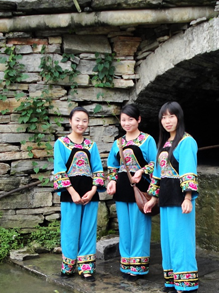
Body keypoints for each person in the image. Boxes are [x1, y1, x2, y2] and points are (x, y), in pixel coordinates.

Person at [144, 101, 199, 293]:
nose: (167, 121)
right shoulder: (165, 143)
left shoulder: (187, 142)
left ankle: (185, 285)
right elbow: (158, 174)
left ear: (179, 117)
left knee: (181, 240)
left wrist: (188, 197)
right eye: (164, 117)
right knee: (168, 241)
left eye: (171, 116)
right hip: (166, 197)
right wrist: (153, 198)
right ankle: (172, 280)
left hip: (180, 197)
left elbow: (188, 170)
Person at [53, 107, 105, 281]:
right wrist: (73, 193)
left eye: (84, 121)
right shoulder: (61, 143)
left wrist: (93, 191)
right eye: (77, 120)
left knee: (89, 230)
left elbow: (98, 170)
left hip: (90, 193)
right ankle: (68, 267)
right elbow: (59, 170)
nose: (81, 124)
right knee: (69, 229)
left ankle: (86, 267)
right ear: (70, 121)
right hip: (70, 193)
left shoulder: (91, 145)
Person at [106, 105, 157, 281]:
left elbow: (156, 163)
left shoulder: (147, 140)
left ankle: (138, 267)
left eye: (130, 119)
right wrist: (112, 181)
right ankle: (126, 263)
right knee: (125, 228)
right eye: (123, 120)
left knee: (139, 227)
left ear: (139, 119)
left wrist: (142, 171)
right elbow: (113, 165)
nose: (127, 123)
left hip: (140, 188)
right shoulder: (118, 142)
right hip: (122, 188)